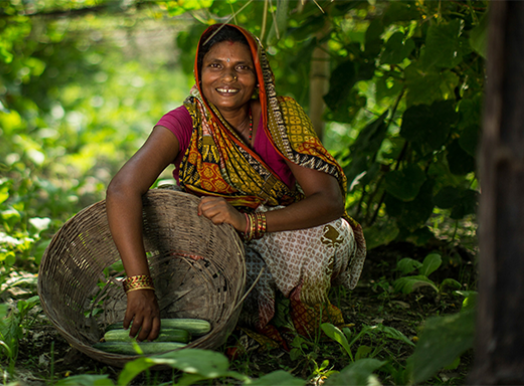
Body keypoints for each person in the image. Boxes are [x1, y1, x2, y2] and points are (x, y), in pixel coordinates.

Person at [105, 23, 366, 348]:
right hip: (212, 239)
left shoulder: (281, 118)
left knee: (334, 235)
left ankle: (303, 314)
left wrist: (249, 221)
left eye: (241, 68)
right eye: (216, 66)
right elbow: (122, 189)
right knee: (202, 283)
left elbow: (329, 200)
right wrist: (139, 285)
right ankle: (258, 309)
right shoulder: (185, 121)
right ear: (200, 73)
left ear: (258, 75)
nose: (228, 78)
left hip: (277, 230)